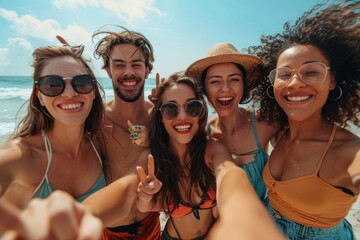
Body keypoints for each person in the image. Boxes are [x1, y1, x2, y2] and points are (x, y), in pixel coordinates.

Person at [249, 1, 360, 239]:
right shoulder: (279, 133)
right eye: (285, 74)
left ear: (332, 81)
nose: (295, 83)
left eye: (311, 72)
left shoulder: (349, 152)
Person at [135, 71, 283, 239]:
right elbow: (145, 205)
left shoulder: (211, 148)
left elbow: (228, 171)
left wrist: (245, 212)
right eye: (170, 109)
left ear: (201, 111)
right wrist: (145, 196)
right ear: (160, 116)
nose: (182, 115)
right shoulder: (157, 158)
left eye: (192, 107)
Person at [0, 43, 105, 208]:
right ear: (40, 96)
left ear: (92, 91)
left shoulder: (100, 145)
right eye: (52, 85)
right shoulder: (20, 156)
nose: (69, 93)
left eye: (82, 82)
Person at [84, 27, 161, 239]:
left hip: (151, 223)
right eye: (119, 65)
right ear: (108, 71)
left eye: (136, 64)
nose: (128, 72)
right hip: (109, 230)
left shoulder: (162, 117)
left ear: (147, 70)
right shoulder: (93, 121)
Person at [185, 42, 278, 202]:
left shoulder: (264, 123)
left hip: (259, 224)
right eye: (215, 81)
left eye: (234, 79)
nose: (225, 88)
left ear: (244, 85)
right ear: (205, 89)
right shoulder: (201, 135)